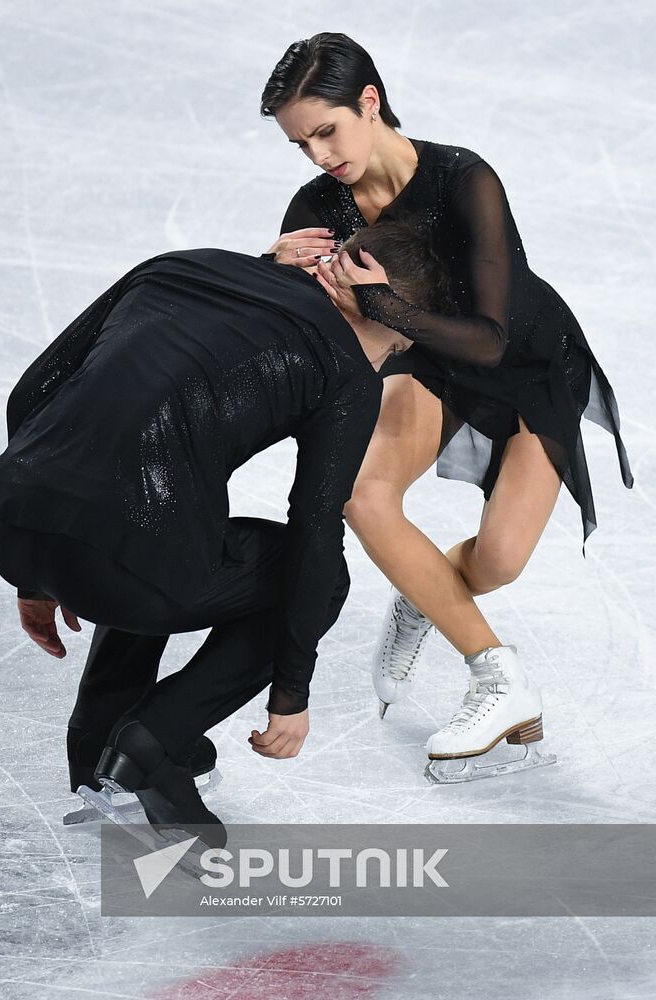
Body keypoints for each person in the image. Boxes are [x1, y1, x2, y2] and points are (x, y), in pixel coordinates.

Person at [0, 225, 443, 835]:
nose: (391, 359)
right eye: (401, 345)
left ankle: (98, 749)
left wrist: (34, 569)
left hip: (8, 522)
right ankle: (151, 741)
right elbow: (313, 533)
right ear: (398, 319)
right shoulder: (343, 369)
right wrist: (291, 695)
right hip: (127, 560)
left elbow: (30, 395)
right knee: (316, 578)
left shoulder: (178, 267)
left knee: (170, 521)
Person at [259, 32, 633, 781]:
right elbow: (307, 319)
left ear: (370, 101)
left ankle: (421, 595)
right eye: (302, 144)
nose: (320, 157)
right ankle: (498, 678)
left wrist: (380, 303)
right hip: (428, 361)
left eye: (327, 131)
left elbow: (491, 340)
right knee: (364, 496)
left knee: (497, 561)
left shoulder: (466, 179)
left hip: (527, 363)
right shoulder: (320, 202)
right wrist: (271, 268)